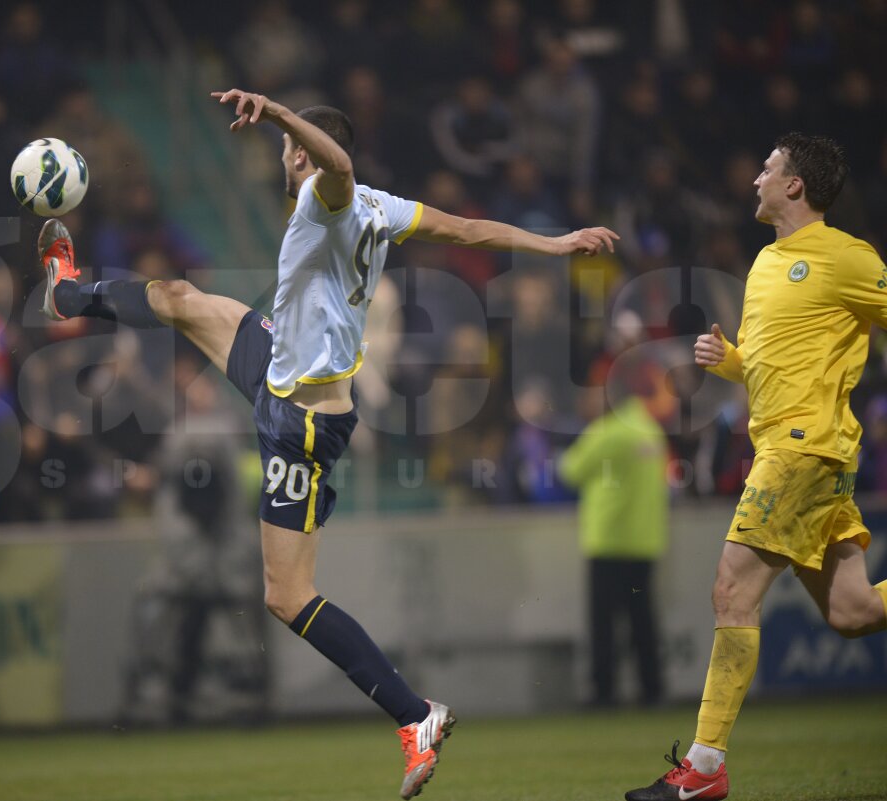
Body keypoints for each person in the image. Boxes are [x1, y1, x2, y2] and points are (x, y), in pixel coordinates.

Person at [34, 89, 618, 799]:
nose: (279, 161)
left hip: (300, 423)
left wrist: (277, 112)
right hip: (280, 368)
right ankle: (67, 294)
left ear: (302, 153)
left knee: (286, 595)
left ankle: (415, 714)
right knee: (182, 299)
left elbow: (338, 164)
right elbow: (465, 229)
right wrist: (552, 243)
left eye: (285, 150)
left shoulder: (328, 196)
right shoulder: (381, 203)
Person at [625, 134, 887, 801]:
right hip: (789, 445)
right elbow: (781, 363)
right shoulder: (771, 260)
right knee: (854, 611)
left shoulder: (848, 257)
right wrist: (734, 361)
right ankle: (704, 773)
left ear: (795, 185)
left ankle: (704, 771)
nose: (755, 181)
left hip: (804, 447)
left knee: (731, 592)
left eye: (768, 170)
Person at [558, 373, 668, 708]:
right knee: (642, 621)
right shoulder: (651, 430)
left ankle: (604, 692)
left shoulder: (608, 432)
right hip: (644, 543)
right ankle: (652, 690)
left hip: (609, 542)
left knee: (603, 625)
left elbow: (569, 470)